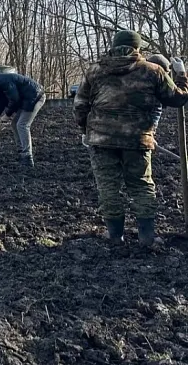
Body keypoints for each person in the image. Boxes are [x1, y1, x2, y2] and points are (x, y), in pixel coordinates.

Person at [74, 30, 188, 246]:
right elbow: (178, 99)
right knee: (141, 185)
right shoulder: (152, 71)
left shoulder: (94, 70)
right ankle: (147, 237)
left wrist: (84, 130)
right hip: (137, 140)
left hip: (101, 139)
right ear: (137, 48)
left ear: (114, 46)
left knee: (108, 187)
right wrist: (181, 75)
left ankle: (115, 235)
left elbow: (80, 105)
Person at [0, 71, 46, 167]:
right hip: (26, 100)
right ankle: (21, 154)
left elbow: (14, 99)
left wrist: (7, 114)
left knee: (22, 125)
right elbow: (0, 104)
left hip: (35, 97)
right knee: (14, 124)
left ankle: (27, 158)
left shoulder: (2, 82)